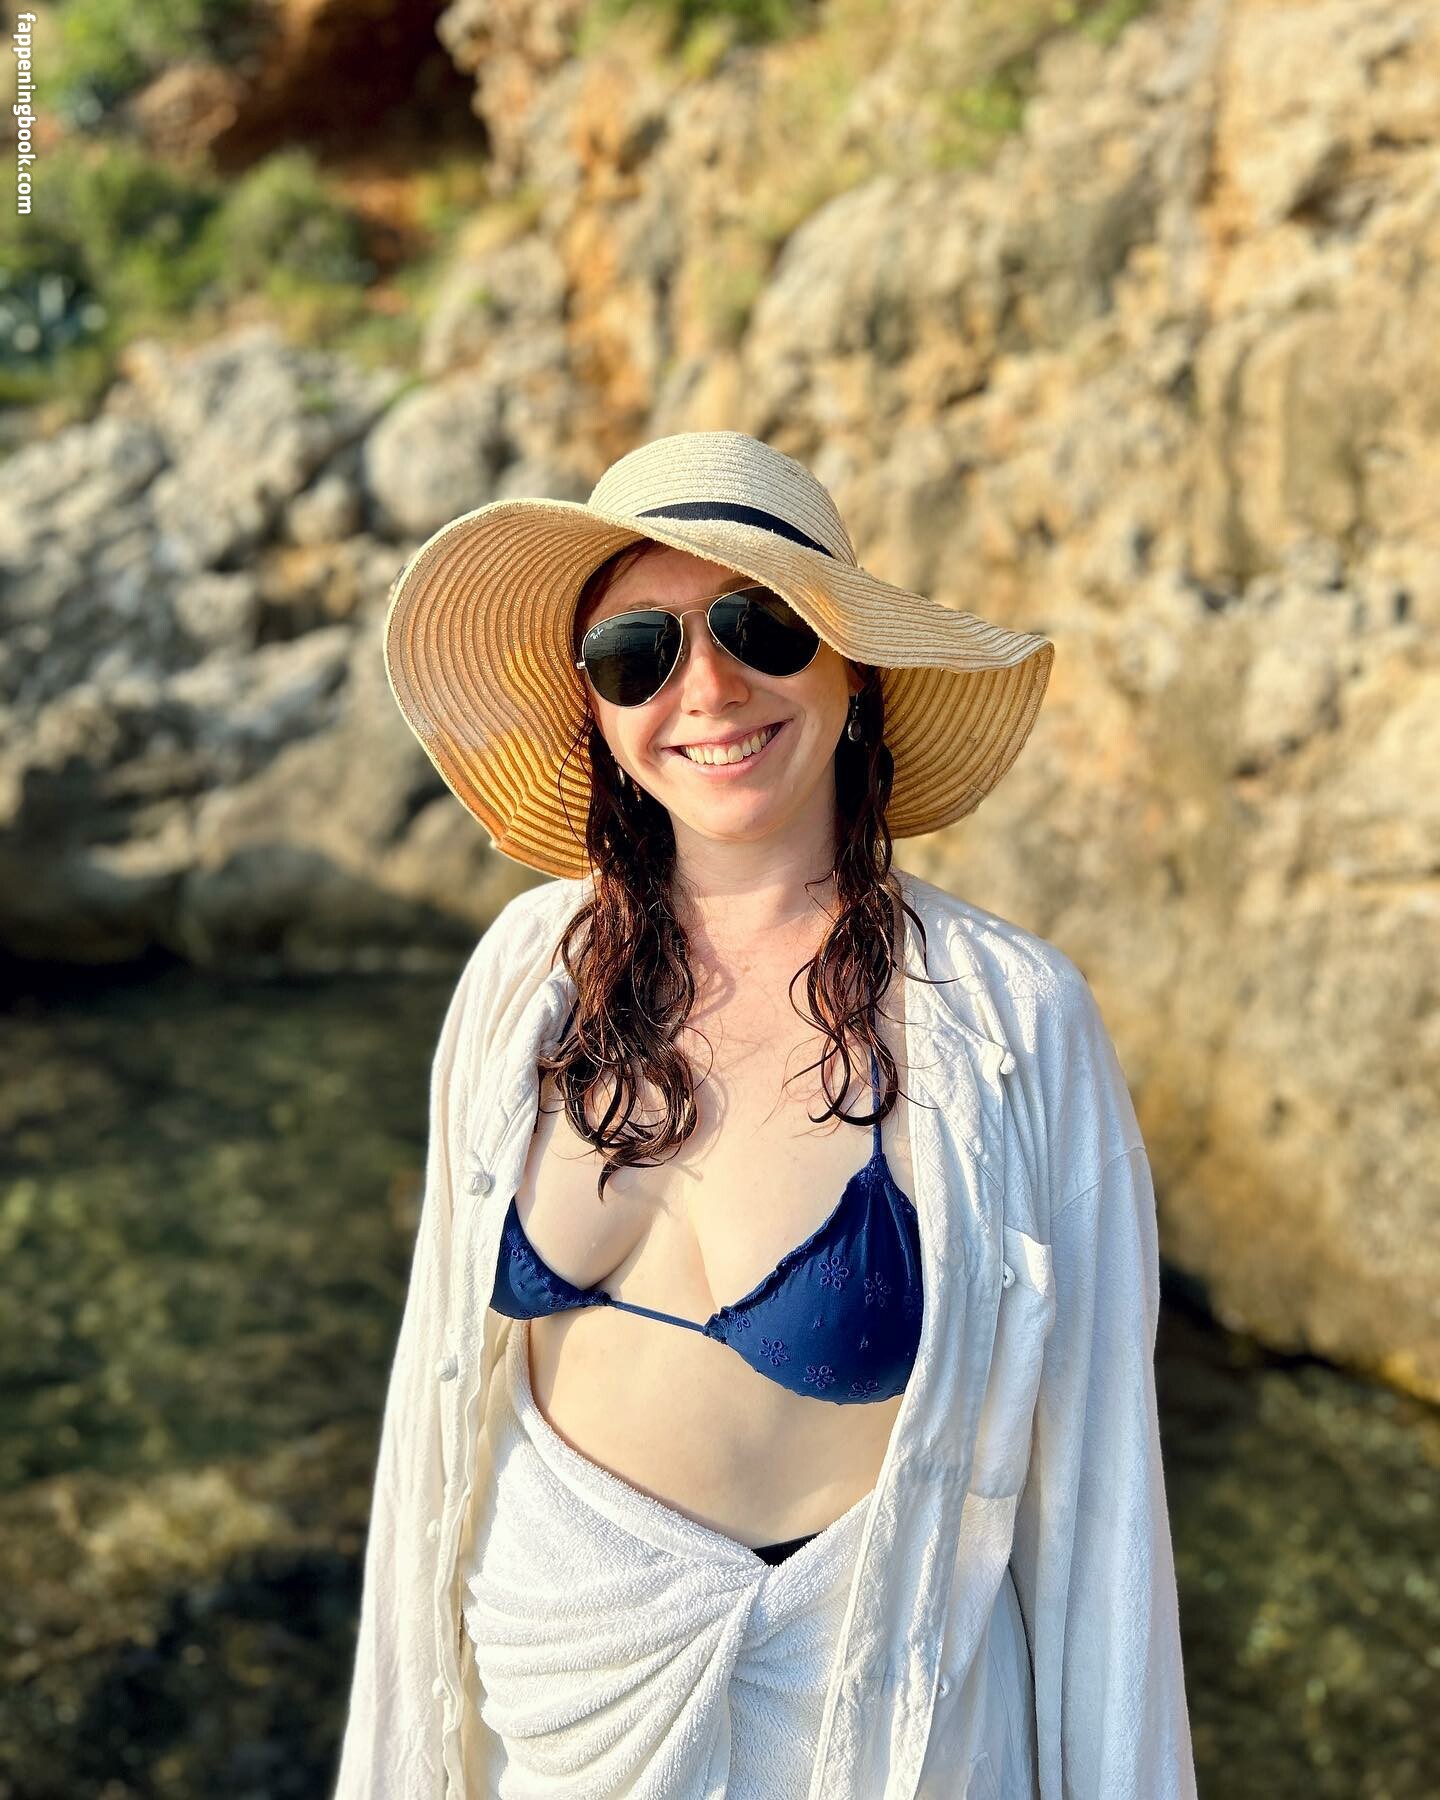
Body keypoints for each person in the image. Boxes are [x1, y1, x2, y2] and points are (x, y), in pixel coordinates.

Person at [332, 430, 1198, 1799]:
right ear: (597, 712)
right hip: (536, 1729)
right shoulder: (523, 979)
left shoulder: (1012, 1019)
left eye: (762, 625)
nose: (709, 687)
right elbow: (427, 1409)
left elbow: (1101, 1496)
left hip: (860, 1732)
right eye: (637, 651)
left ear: (855, 670)